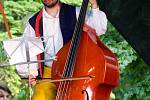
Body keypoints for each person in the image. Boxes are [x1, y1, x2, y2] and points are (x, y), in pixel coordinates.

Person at [16, 0, 108, 99]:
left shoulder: (76, 13)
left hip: (76, 71)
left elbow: (99, 29)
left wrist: (94, 5)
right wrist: (31, 73)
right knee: (40, 96)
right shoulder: (34, 21)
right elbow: (30, 51)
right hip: (48, 72)